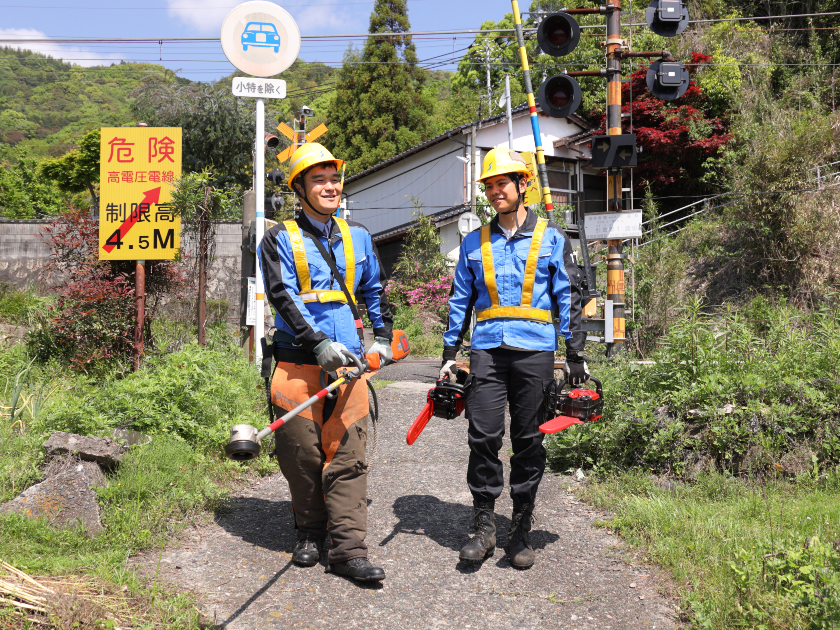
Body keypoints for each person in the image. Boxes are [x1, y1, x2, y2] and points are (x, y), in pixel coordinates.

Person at [441, 148, 588, 570]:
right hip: (486, 349)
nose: (494, 191)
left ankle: (520, 527)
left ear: (523, 185)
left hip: (536, 351)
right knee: (483, 436)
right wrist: (450, 355)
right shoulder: (474, 242)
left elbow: (568, 297)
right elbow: (459, 302)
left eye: (501, 183)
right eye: (488, 185)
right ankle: (484, 525)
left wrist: (574, 352)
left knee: (528, 441)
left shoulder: (551, 238)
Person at [259, 142, 393, 582]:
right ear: (299, 188)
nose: (330, 186)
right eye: (318, 179)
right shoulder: (279, 237)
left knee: (349, 455)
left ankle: (349, 550)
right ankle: (310, 533)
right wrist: (316, 341)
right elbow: (282, 295)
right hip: (297, 364)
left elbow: (375, 291)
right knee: (301, 456)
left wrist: (385, 337)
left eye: (334, 178)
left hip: (348, 367)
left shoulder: (359, 237)